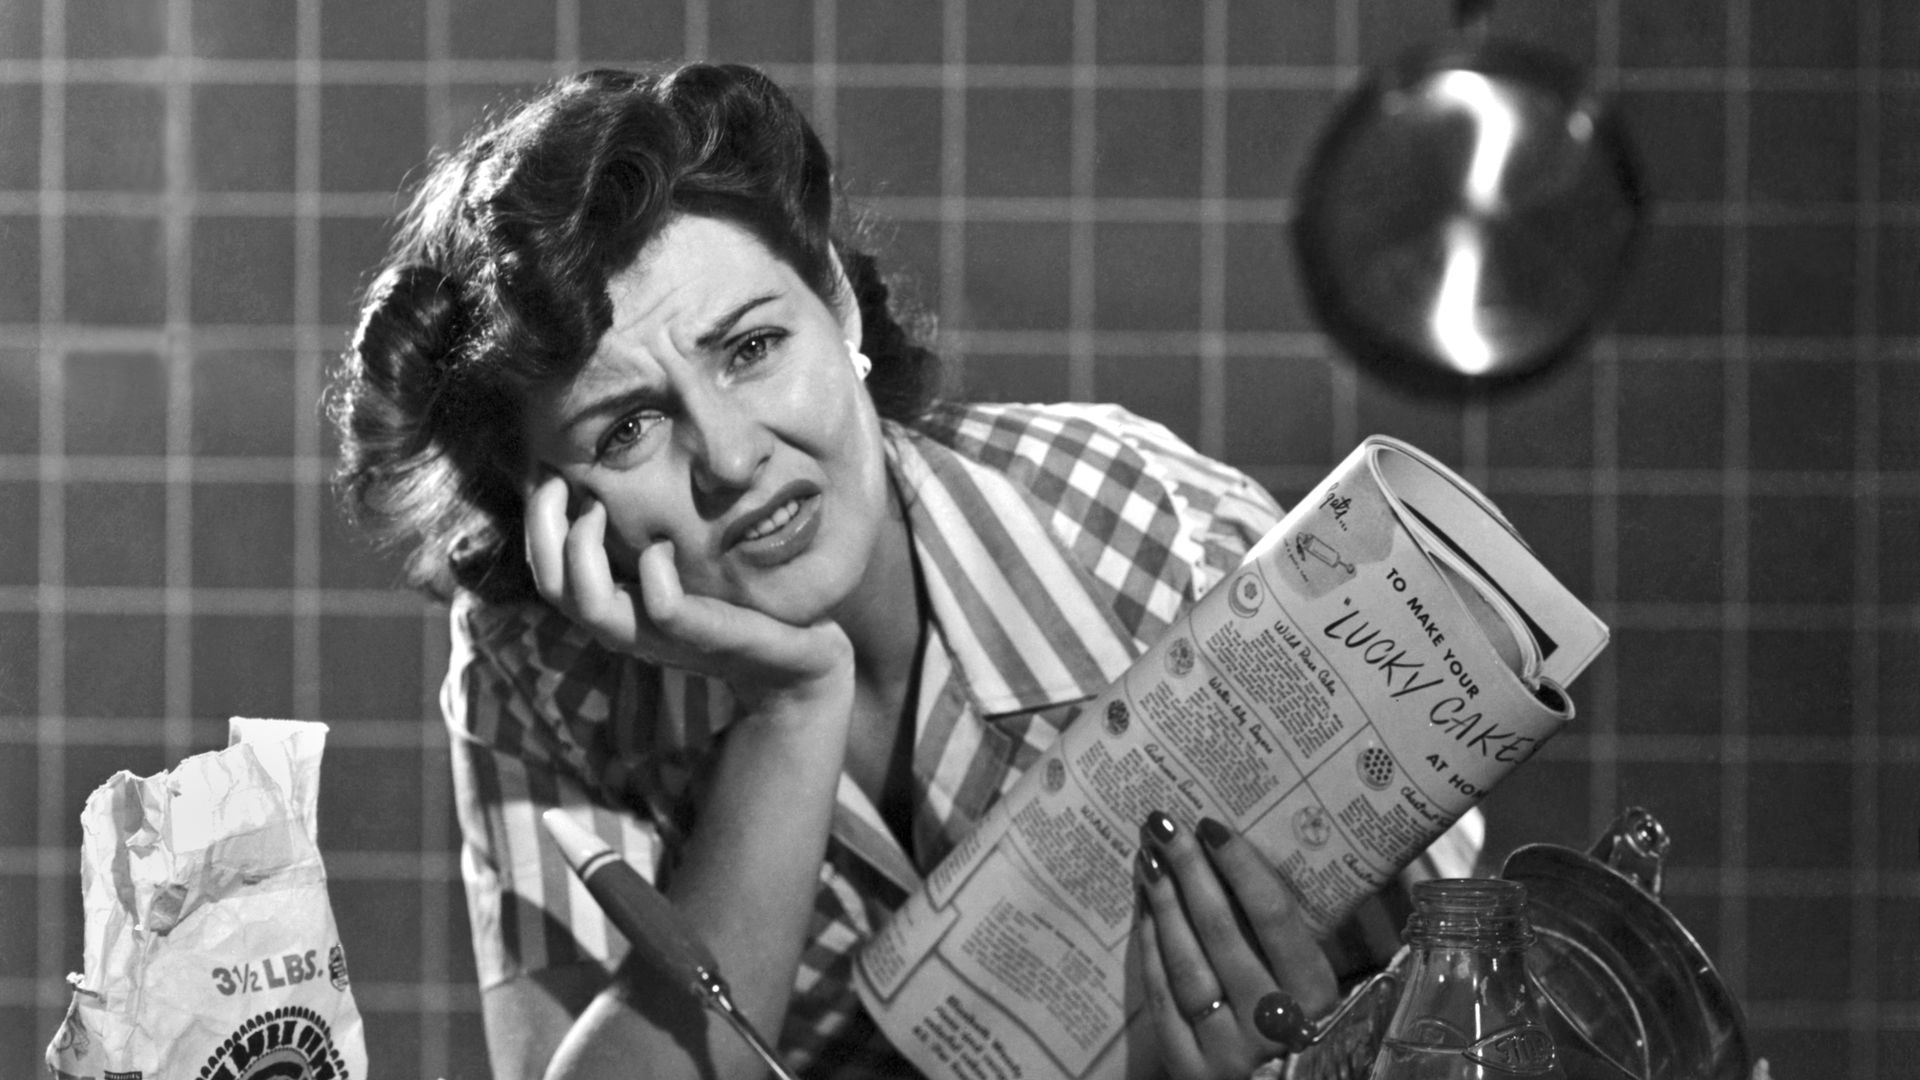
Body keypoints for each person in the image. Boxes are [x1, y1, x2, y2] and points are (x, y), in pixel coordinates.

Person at [327, 62, 1478, 1080]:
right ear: (550, 506)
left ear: (835, 303)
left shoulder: (1160, 539)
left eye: (752, 348)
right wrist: (791, 710)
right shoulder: (538, 671)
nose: (730, 458)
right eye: (627, 429)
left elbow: (1476, 1013)